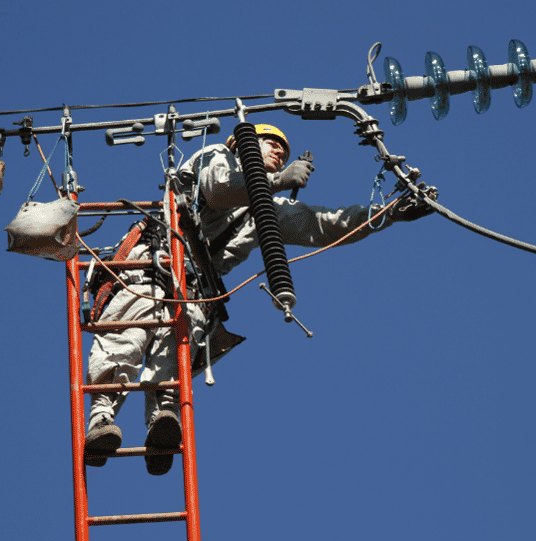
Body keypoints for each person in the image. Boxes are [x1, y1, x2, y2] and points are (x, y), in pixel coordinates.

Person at [84, 124, 434, 475]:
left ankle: (163, 422)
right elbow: (218, 190)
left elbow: (324, 225)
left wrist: (389, 214)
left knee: (175, 350)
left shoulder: (264, 210)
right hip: (148, 268)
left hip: (192, 289)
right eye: (271, 144)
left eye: (284, 149)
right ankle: (101, 420)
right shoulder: (216, 156)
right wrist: (279, 181)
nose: (280, 152)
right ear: (243, 145)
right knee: (126, 341)